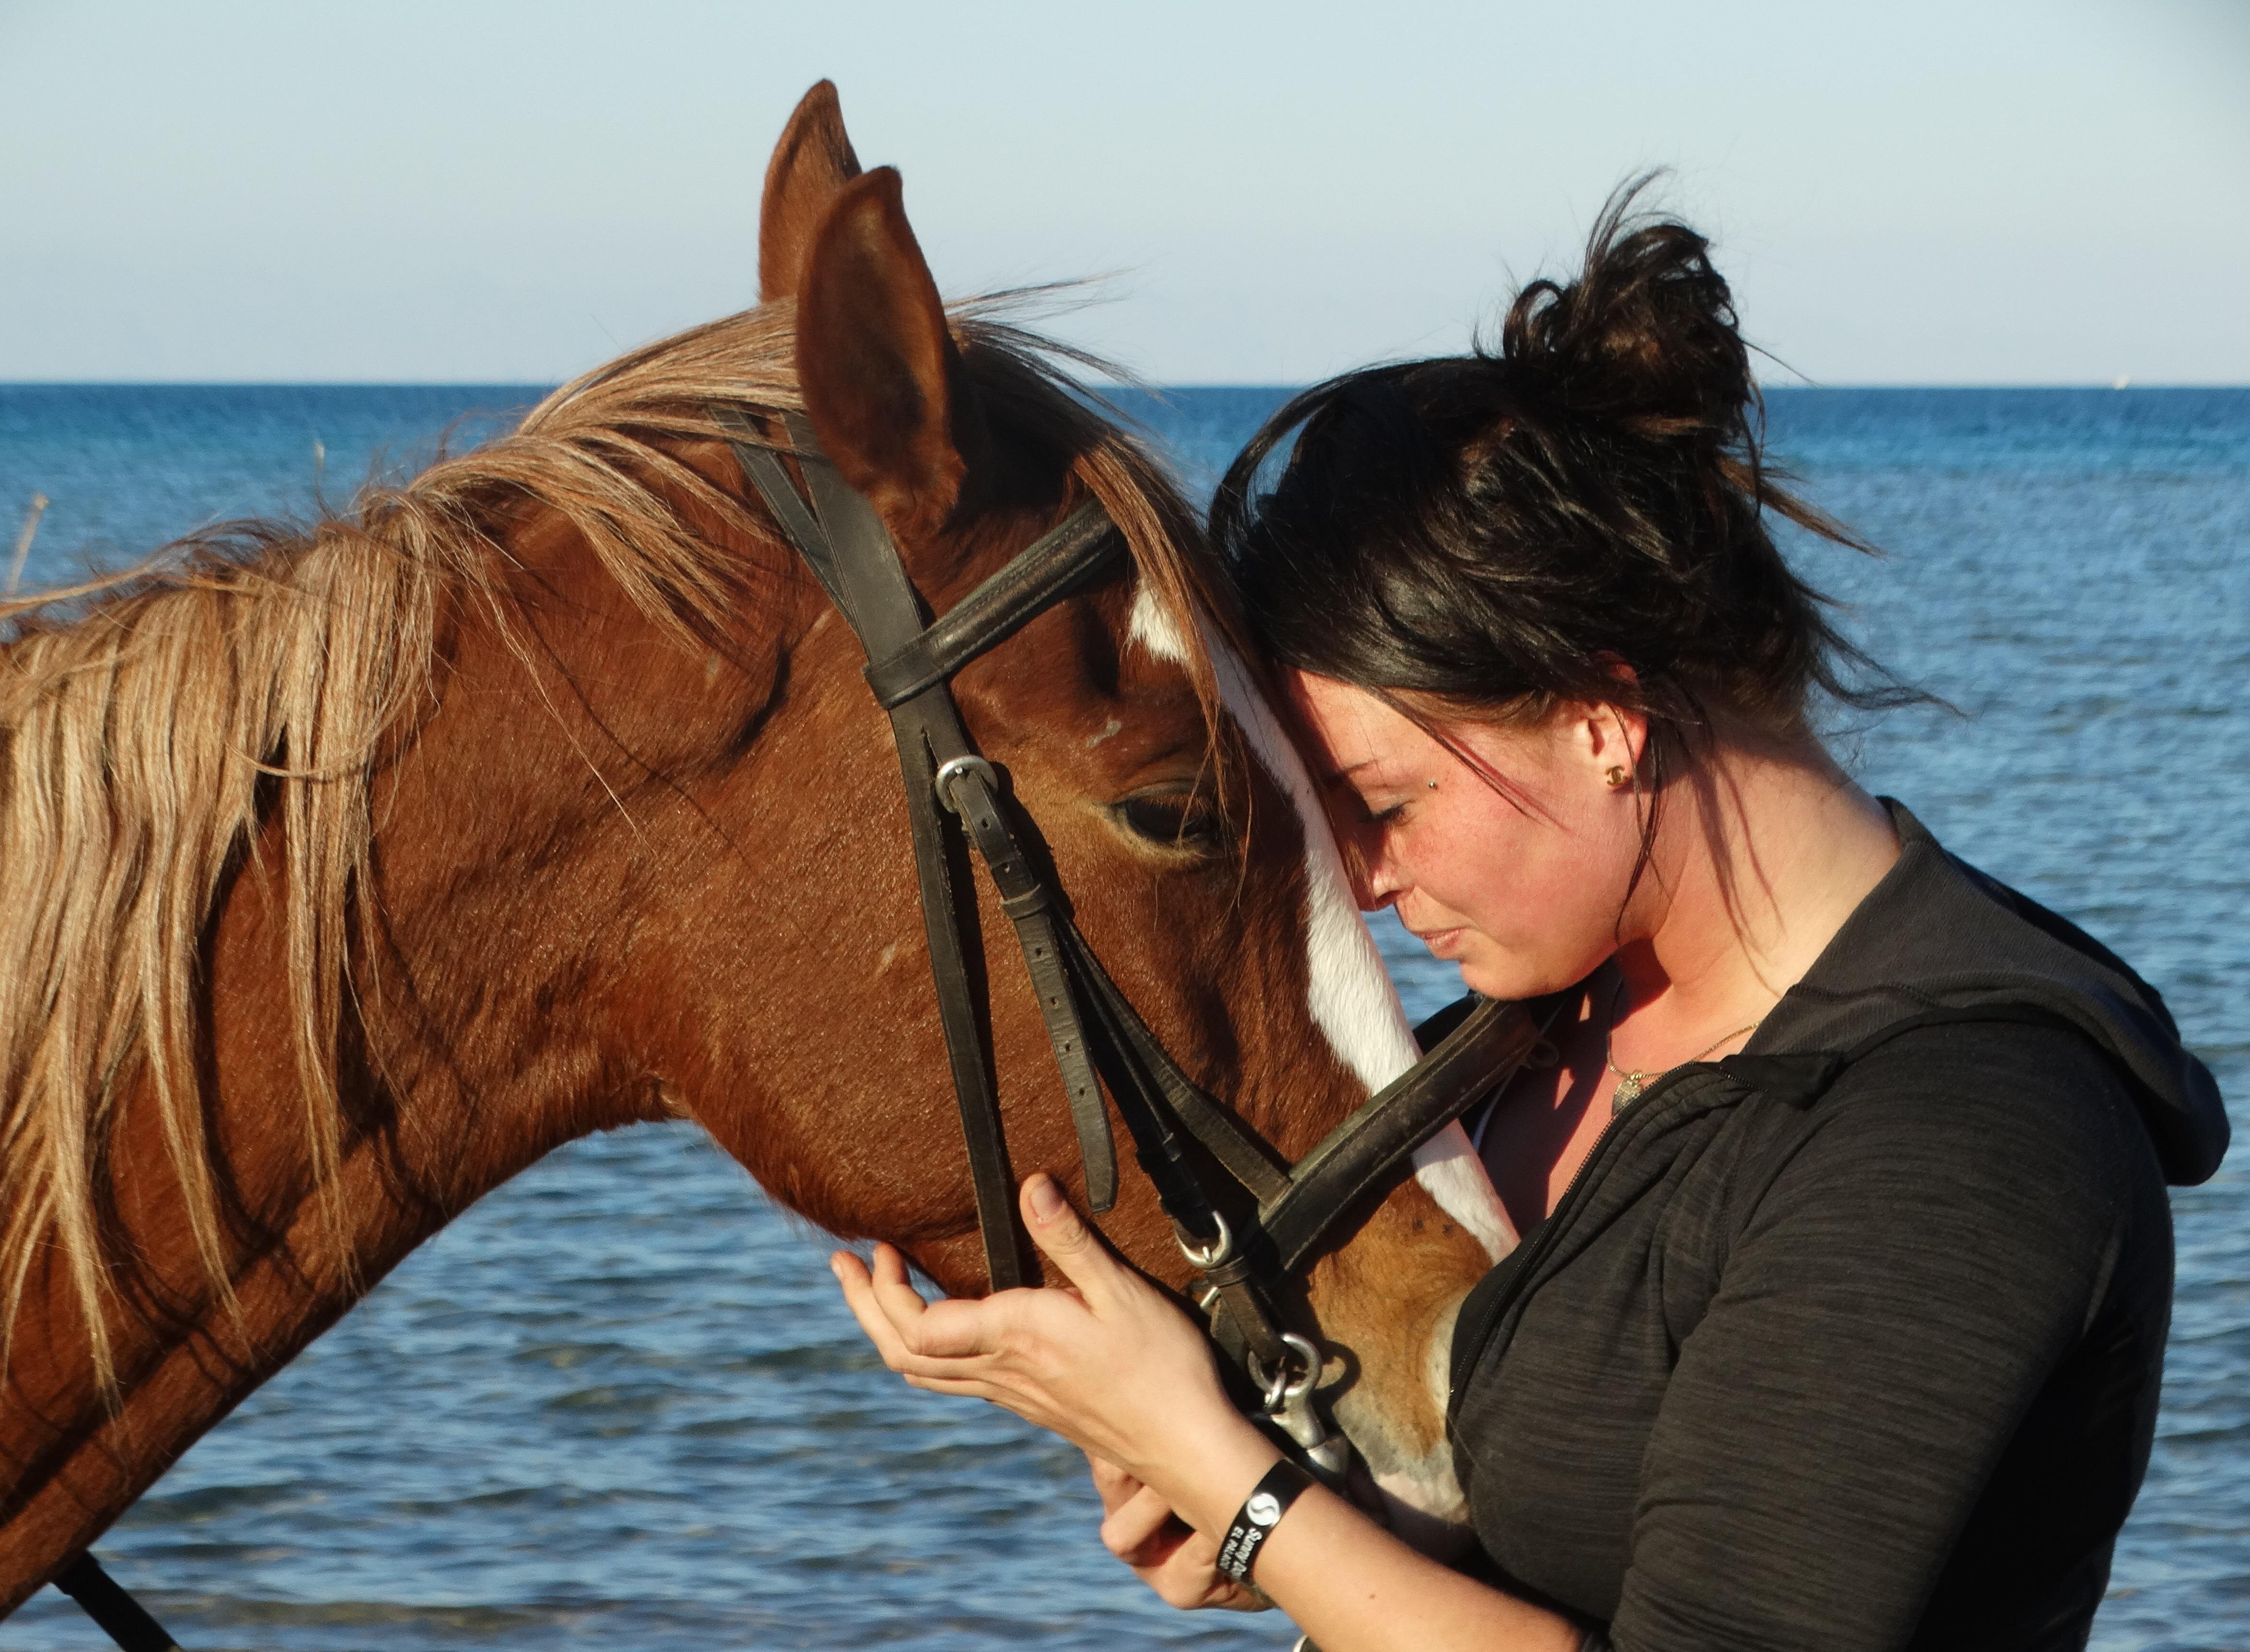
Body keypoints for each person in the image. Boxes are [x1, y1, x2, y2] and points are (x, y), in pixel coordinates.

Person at [829, 186, 2228, 1652]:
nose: (1360, 879)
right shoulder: (1525, 1038)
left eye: (1384, 802)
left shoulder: (1960, 1135)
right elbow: (1535, 1530)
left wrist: (1241, 1492)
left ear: (1601, 715)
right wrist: (1282, 1523)